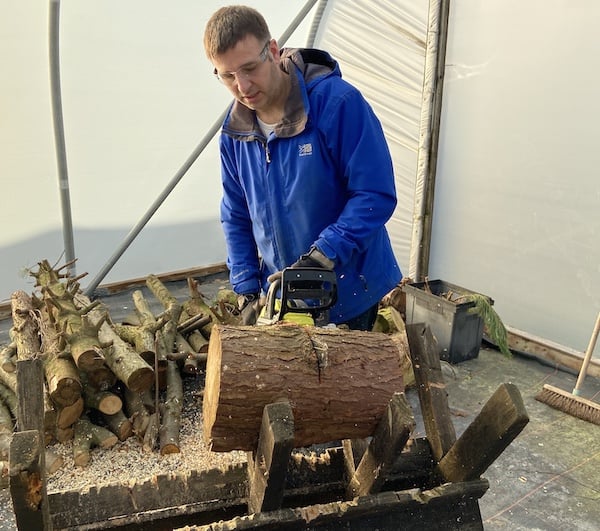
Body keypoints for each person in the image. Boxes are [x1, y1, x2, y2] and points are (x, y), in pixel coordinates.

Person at [203, 5, 402, 330]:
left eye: (250, 68)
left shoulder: (336, 104)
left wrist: (324, 253)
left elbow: (374, 194)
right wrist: (246, 287)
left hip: (347, 285)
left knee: (346, 377)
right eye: (227, 75)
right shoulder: (235, 132)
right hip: (283, 294)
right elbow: (235, 212)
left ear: (272, 50)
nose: (242, 86)